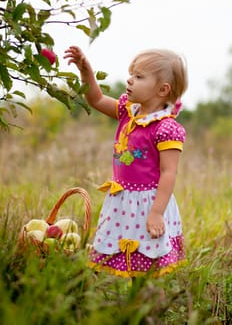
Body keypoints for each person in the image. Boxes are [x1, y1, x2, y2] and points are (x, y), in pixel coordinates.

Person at [64, 46, 188, 278]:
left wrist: (156, 213)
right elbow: (97, 99)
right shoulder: (128, 112)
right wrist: (85, 70)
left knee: (149, 264)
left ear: (163, 89)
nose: (130, 80)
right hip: (123, 200)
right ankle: (134, 304)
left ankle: (151, 306)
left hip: (149, 203)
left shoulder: (165, 127)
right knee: (131, 259)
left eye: (139, 76)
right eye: (132, 74)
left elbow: (169, 173)